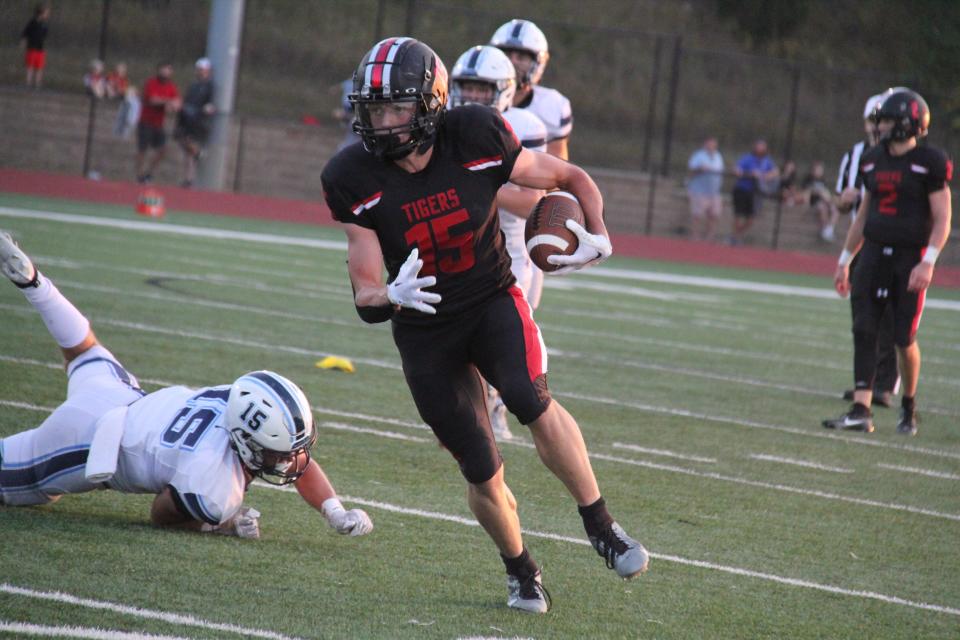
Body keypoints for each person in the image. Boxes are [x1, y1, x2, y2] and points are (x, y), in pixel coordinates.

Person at [321, 37, 648, 614]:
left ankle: (601, 522)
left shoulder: (475, 134)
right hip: (424, 325)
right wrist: (388, 294)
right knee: (480, 461)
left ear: (430, 103)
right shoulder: (351, 175)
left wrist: (596, 234)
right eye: (373, 110)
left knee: (528, 396)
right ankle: (521, 569)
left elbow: (570, 178)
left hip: (491, 296)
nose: (382, 122)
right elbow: (365, 288)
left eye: (396, 107)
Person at [0, 231, 373, 538]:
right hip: (87, 441)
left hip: (121, 397)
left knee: (83, 351)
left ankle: (35, 283)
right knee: (28, 487)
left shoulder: (238, 398)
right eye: (278, 454)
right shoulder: (216, 485)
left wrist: (334, 510)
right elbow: (162, 514)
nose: (288, 463)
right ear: (244, 441)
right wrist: (220, 524)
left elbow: (293, 457)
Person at [823, 88, 952, 436]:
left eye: (889, 120)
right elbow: (863, 215)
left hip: (910, 259)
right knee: (863, 329)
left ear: (909, 124)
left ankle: (908, 404)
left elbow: (942, 218)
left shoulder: (930, 162)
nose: (881, 127)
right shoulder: (872, 160)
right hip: (875, 252)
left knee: (903, 338)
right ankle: (861, 409)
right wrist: (845, 259)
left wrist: (929, 261)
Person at [449, 44, 549, 442]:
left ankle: (498, 406)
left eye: (482, 89)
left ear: (505, 91)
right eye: (467, 88)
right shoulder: (445, 123)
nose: (472, 97)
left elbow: (530, 203)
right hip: (459, 243)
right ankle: (478, 409)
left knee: (504, 339)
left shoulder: (522, 126)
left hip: (508, 249)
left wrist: (479, 185)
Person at [835, 92, 901, 408]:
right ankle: (866, 383)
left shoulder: (905, 158)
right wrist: (843, 199)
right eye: (873, 120)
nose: (877, 127)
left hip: (895, 246)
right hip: (861, 242)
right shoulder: (856, 155)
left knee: (890, 316)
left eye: (883, 120)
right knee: (863, 316)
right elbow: (844, 203)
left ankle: (886, 384)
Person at [490, 19, 572, 161]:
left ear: (538, 63)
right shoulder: (474, 98)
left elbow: (557, 171)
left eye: (521, 57)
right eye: (507, 54)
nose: (512, 62)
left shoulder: (552, 106)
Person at [135, 62, 181, 184]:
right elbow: (153, 100)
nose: (166, 72)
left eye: (168, 70)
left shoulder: (171, 86)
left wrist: (172, 105)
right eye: (163, 70)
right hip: (145, 122)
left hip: (158, 124)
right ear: (159, 70)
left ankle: (148, 173)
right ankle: (139, 175)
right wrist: (167, 102)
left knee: (163, 150)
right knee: (142, 150)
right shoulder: (151, 83)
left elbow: (176, 102)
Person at [174, 57, 216, 188]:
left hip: (198, 120)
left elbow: (210, 104)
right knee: (184, 145)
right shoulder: (193, 85)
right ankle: (188, 178)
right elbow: (187, 100)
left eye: (203, 70)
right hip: (187, 118)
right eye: (199, 70)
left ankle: (196, 157)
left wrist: (208, 107)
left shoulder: (210, 86)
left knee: (189, 145)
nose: (201, 72)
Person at [730, 139, 778, 245]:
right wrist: (744, 173)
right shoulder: (747, 158)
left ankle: (736, 235)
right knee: (738, 215)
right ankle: (735, 237)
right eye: (759, 146)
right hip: (742, 189)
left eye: (763, 147)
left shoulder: (767, 161)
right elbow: (736, 169)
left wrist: (764, 176)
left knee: (751, 218)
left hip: (755, 193)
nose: (760, 149)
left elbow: (775, 172)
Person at [685, 136, 725, 241]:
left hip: (714, 190)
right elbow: (691, 170)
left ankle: (710, 236)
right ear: (705, 144)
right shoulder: (698, 156)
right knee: (697, 214)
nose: (712, 146)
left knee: (714, 214)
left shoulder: (718, 156)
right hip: (699, 190)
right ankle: (694, 235)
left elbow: (720, 171)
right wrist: (700, 169)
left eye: (714, 144)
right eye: (710, 144)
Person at [801, 161, 839, 241]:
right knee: (823, 208)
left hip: (825, 201)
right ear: (813, 170)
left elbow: (825, 191)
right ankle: (824, 229)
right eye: (818, 170)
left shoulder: (822, 180)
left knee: (835, 209)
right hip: (815, 202)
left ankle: (829, 229)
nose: (820, 172)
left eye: (821, 170)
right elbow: (806, 192)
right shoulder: (808, 179)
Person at [20, 4, 50, 89]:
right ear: (41, 13)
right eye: (46, 13)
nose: (47, 15)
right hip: (32, 47)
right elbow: (25, 33)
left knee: (40, 67)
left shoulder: (44, 24)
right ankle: (28, 84)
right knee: (30, 66)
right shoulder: (32, 22)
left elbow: (45, 35)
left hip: (40, 48)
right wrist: (23, 43)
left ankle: (37, 84)